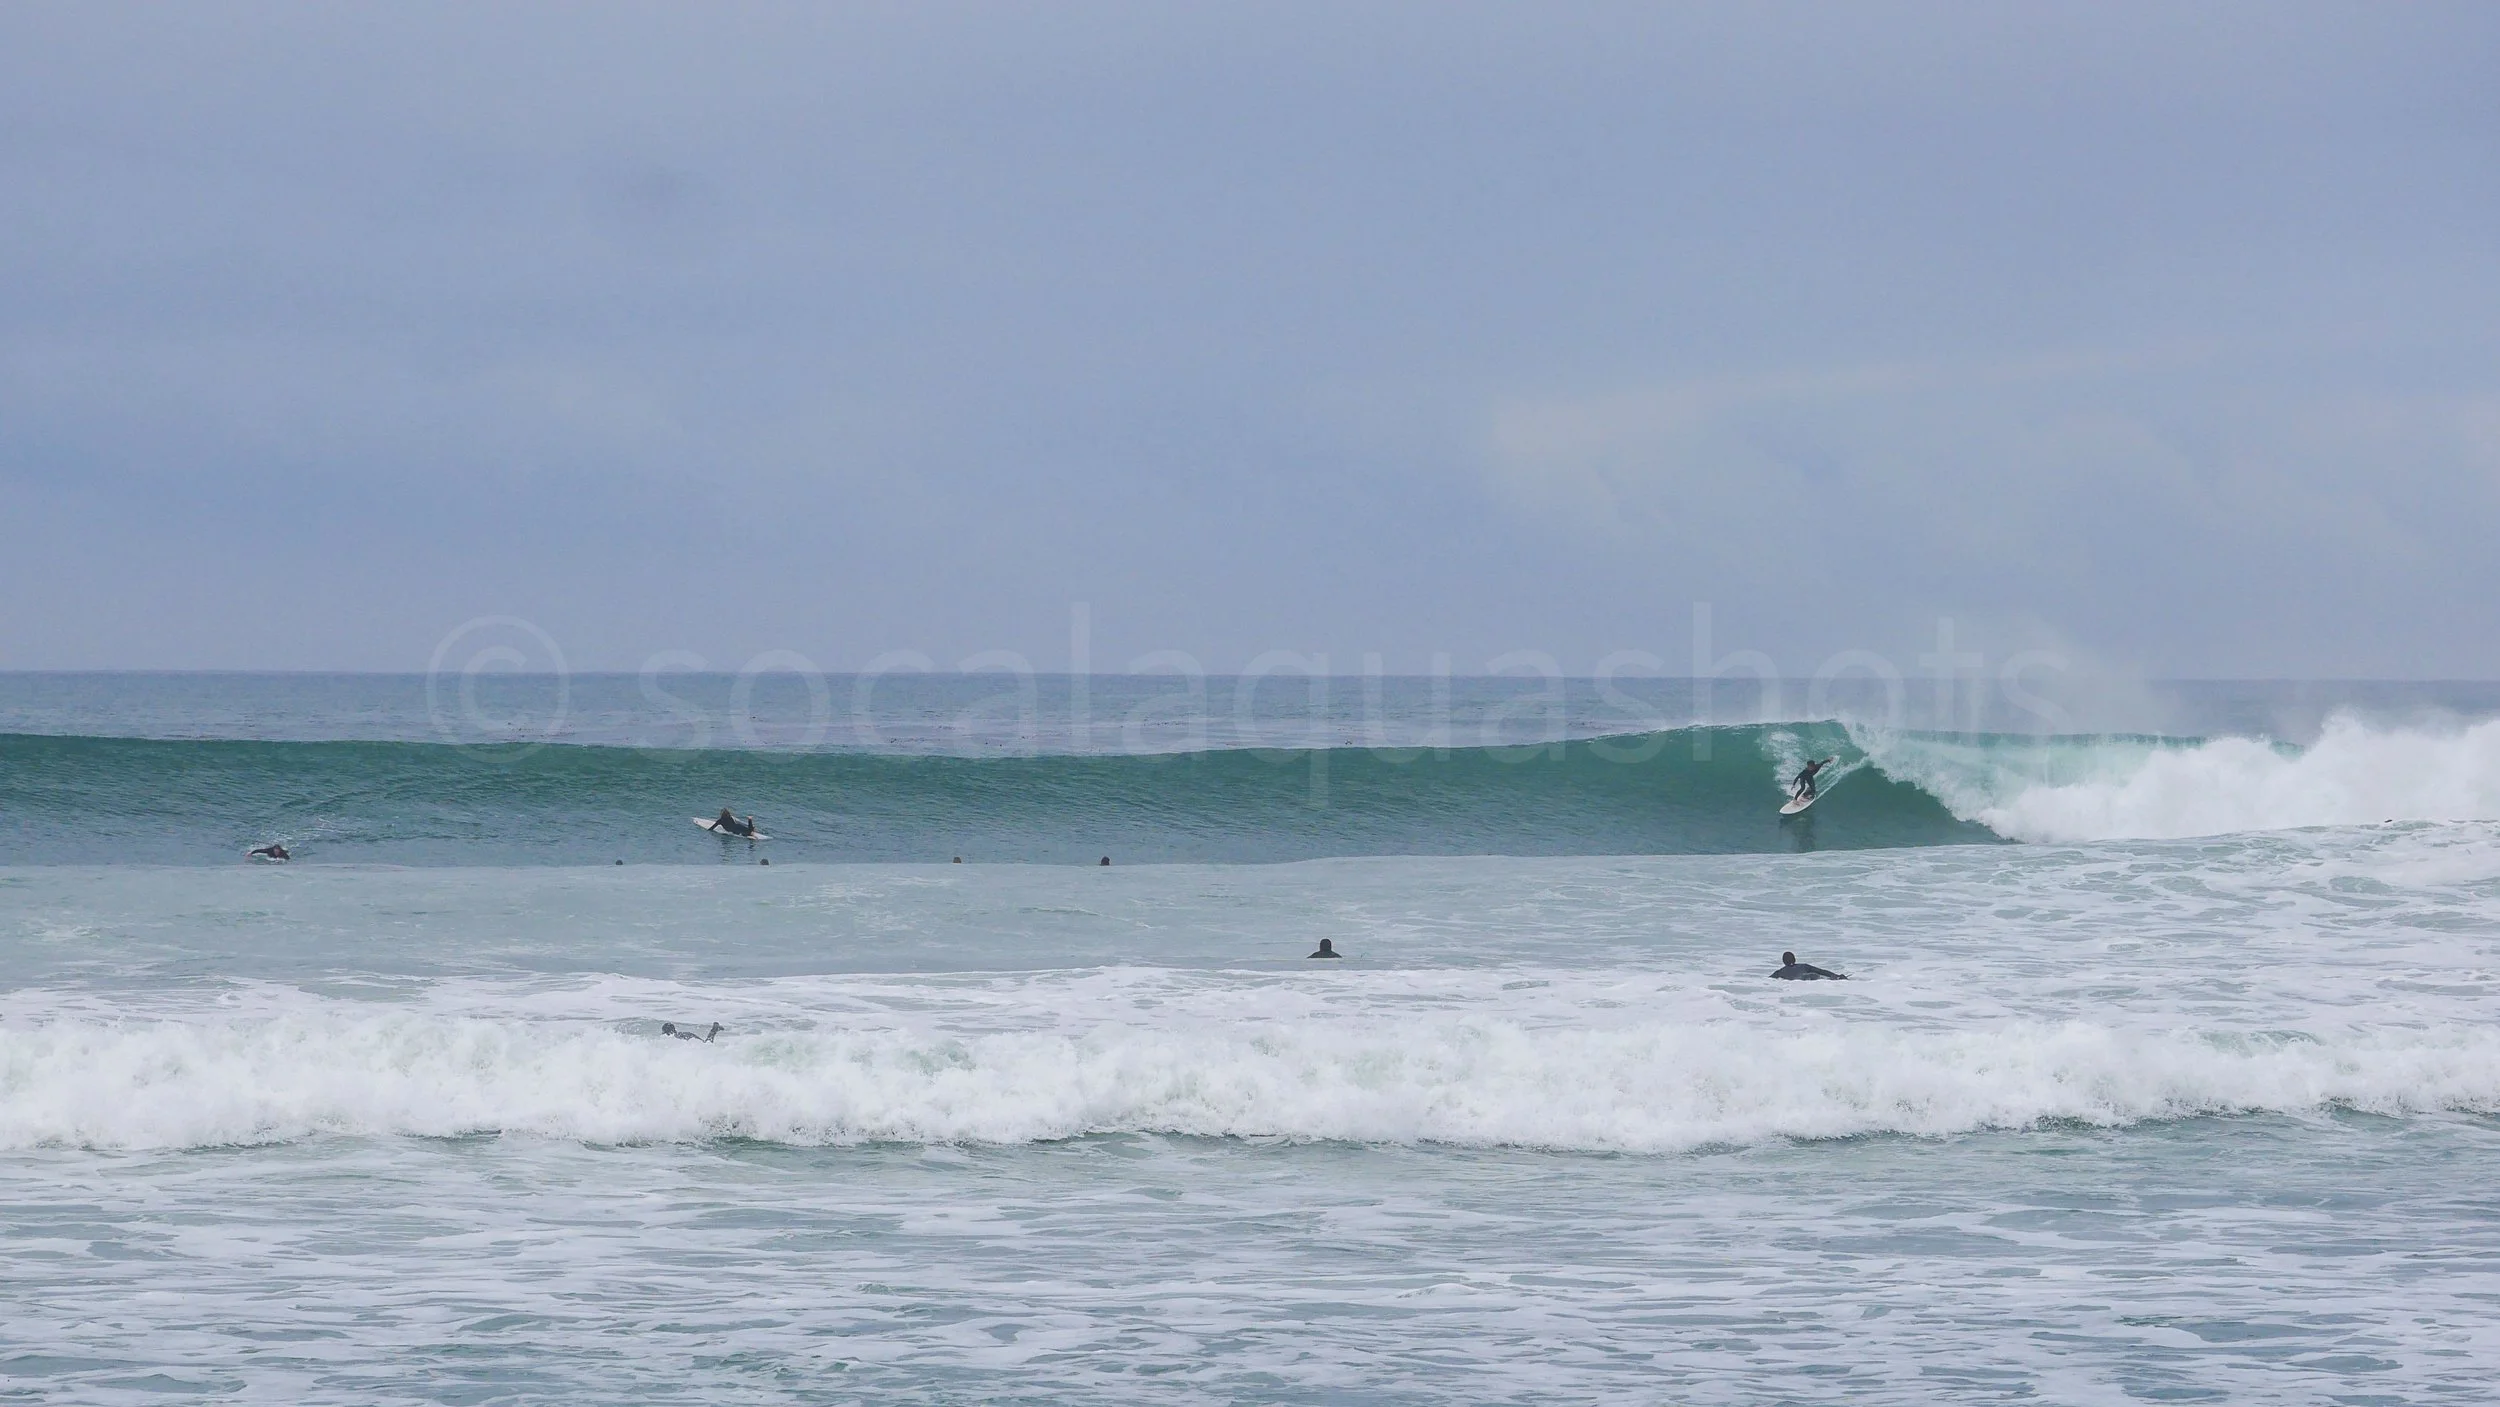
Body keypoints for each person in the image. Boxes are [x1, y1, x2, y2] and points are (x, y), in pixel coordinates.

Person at [1772, 951, 1847, 980]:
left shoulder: (1779, 972)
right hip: (1811, 976)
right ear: (1794, 959)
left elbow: (1769, 980)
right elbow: (1821, 971)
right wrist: (1836, 975)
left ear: (1784, 961)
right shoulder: (1804, 966)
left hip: (1797, 981)